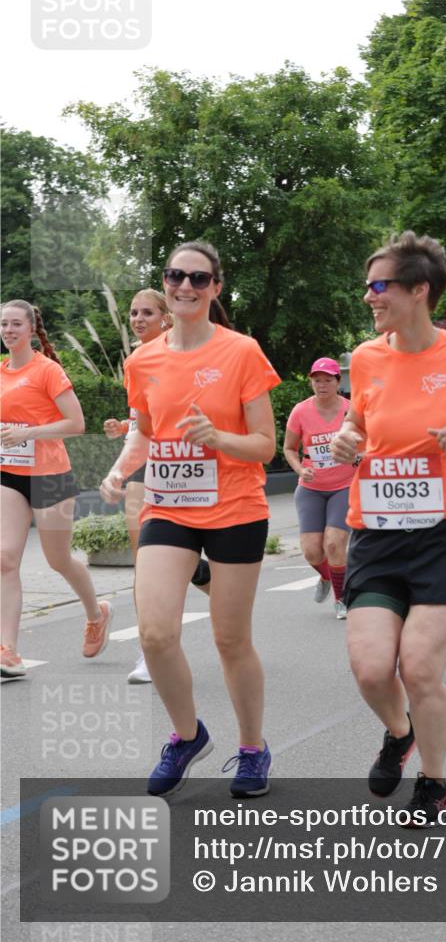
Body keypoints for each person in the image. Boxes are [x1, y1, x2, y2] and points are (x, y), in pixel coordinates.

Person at [331, 231, 446, 823]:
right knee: (372, 668)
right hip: (376, 532)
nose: (369, 298)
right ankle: (399, 732)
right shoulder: (367, 356)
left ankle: (431, 781)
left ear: (419, 290)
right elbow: (354, 429)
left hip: (444, 533)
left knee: (421, 667)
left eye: (379, 286)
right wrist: (343, 441)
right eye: (368, 287)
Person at [100, 241, 280, 799]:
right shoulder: (143, 360)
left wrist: (218, 437)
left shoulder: (243, 351)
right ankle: (187, 734)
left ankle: (253, 748)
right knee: (155, 633)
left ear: (215, 288)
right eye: (176, 276)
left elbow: (266, 446)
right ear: (166, 280)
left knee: (230, 639)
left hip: (234, 508)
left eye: (198, 279)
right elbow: (148, 433)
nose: (185, 286)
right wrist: (120, 469)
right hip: (168, 505)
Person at [103, 289, 211, 684]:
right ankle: (151, 652)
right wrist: (123, 427)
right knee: (144, 563)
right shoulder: (135, 361)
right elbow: (143, 420)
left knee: (167, 560)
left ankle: (203, 576)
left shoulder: (184, 354)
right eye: (133, 313)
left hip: (181, 466)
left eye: (147, 312)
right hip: (143, 467)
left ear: (166, 317)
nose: (137, 319)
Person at [1, 300, 112, 678]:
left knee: (58, 560)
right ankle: (8, 650)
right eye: (3, 324)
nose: (8, 330)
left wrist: (28, 432)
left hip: (50, 475)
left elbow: (76, 423)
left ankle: (97, 615)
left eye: (16, 324)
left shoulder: (47, 370)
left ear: (31, 329)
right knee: (4, 558)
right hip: (9, 474)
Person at [283, 358, 355, 620]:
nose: (322, 385)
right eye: (317, 380)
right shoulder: (300, 411)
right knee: (312, 550)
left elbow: (369, 445)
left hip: (344, 485)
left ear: (338, 382)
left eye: (328, 380)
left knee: (334, 545)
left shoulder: (351, 410)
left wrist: (355, 457)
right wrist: (301, 470)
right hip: (311, 488)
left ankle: (342, 599)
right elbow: (289, 448)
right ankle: (327, 577)